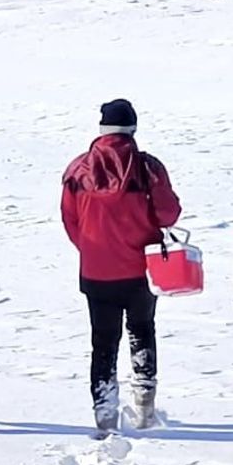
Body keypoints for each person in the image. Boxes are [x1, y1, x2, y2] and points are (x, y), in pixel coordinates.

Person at [61, 99, 182, 435]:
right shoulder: (148, 168)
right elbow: (168, 215)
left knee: (103, 342)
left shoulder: (78, 169)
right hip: (142, 269)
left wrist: (91, 249)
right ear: (133, 128)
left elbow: (70, 219)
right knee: (142, 331)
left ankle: (104, 414)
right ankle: (145, 407)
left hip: (97, 271)